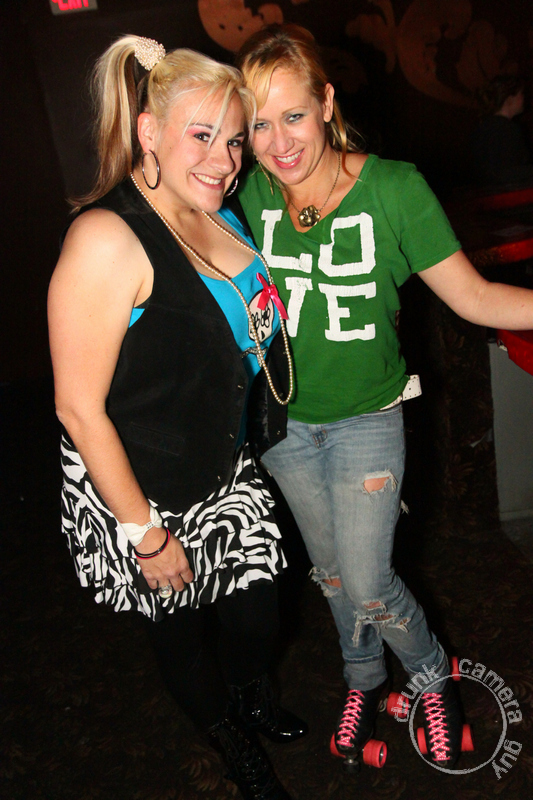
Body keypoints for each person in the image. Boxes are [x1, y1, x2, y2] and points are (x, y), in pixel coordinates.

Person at [235, 23, 533, 768]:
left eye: (293, 115)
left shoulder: (394, 189)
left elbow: (474, 298)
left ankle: (432, 680)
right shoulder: (248, 191)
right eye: (259, 124)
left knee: (369, 582)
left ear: (327, 102)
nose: (278, 143)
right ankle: (363, 678)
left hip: (367, 419)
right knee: (332, 575)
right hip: (285, 427)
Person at [47, 34, 306, 800]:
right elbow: (76, 407)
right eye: (202, 136)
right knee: (180, 629)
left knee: (258, 615)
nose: (224, 162)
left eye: (234, 141)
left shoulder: (215, 209)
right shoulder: (105, 239)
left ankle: (250, 694)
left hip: (220, 461)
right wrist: (145, 533)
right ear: (148, 132)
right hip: (138, 483)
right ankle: (228, 738)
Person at [470, 74, 533, 186]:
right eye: (521, 94)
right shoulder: (506, 129)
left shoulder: (484, 127)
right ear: (509, 99)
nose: (524, 98)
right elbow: (507, 172)